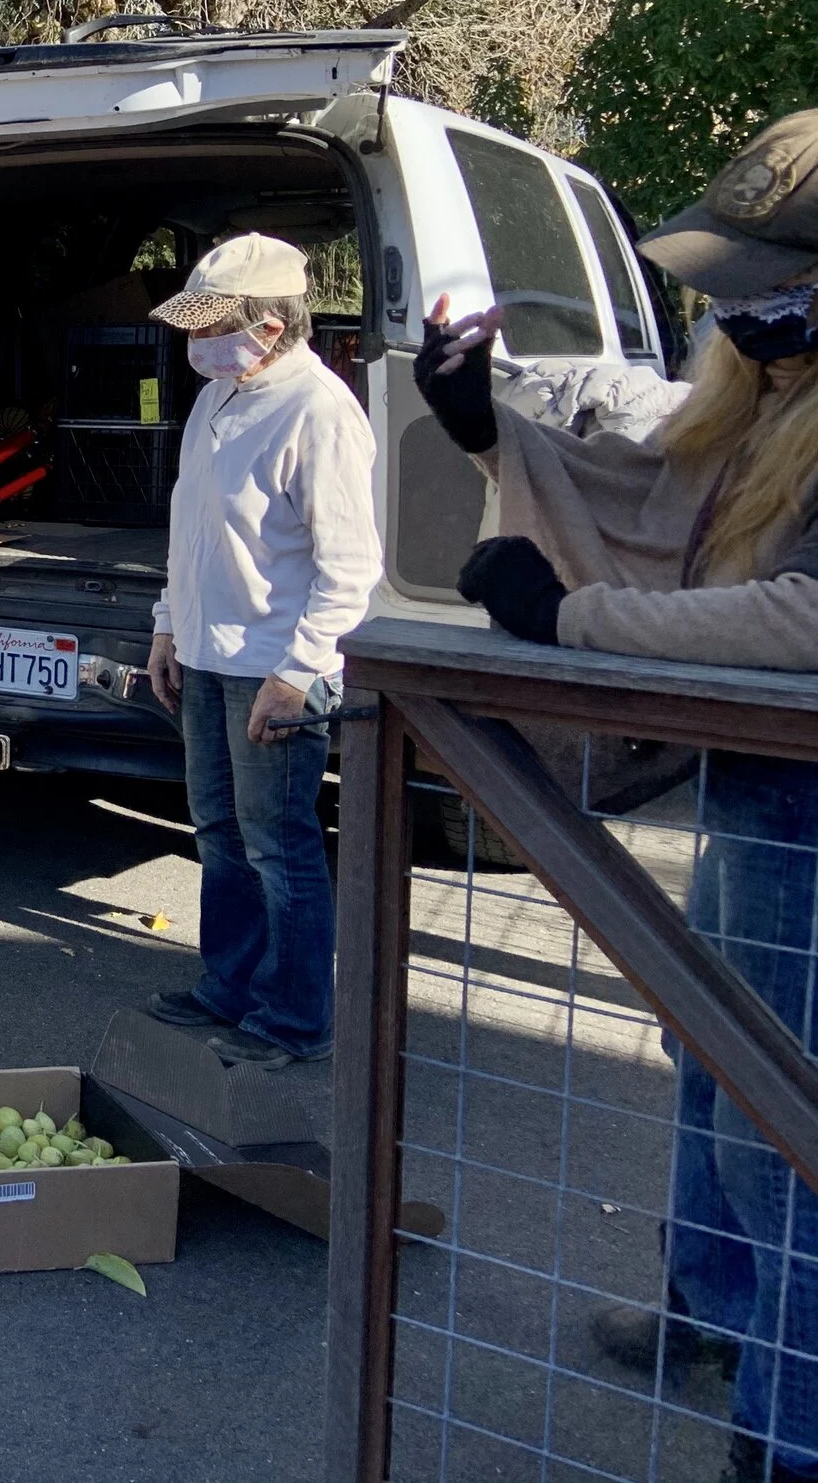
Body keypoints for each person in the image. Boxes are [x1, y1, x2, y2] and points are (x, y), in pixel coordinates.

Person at [421, 109, 818, 1483]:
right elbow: (659, 466)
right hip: (764, 785)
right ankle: (714, 1310)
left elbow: (802, 614)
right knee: (717, 1065)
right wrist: (490, 410)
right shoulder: (775, 391)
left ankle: (790, 1429)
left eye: (764, 273)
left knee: (791, 1128)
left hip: (810, 810)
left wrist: (576, 616)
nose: (733, 302)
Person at [141, 232, 380, 1069]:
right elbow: (192, 526)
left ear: (272, 326)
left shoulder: (320, 412)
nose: (195, 342)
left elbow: (350, 566)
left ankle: (296, 1015)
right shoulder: (220, 396)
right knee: (219, 831)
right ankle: (231, 984)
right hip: (209, 656)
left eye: (213, 326)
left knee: (280, 843)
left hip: (272, 668)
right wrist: (170, 624)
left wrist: (298, 671)